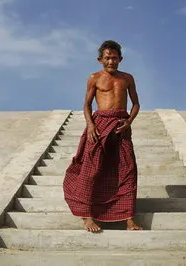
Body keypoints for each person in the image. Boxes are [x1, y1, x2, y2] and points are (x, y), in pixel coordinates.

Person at [63, 39, 142, 232]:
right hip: (99, 125)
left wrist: (128, 122)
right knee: (91, 168)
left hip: (120, 126)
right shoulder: (94, 78)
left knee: (127, 169)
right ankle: (87, 217)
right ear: (100, 59)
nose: (111, 62)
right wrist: (90, 125)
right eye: (107, 58)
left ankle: (128, 219)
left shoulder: (127, 78)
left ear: (120, 59)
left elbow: (136, 104)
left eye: (114, 58)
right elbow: (87, 104)